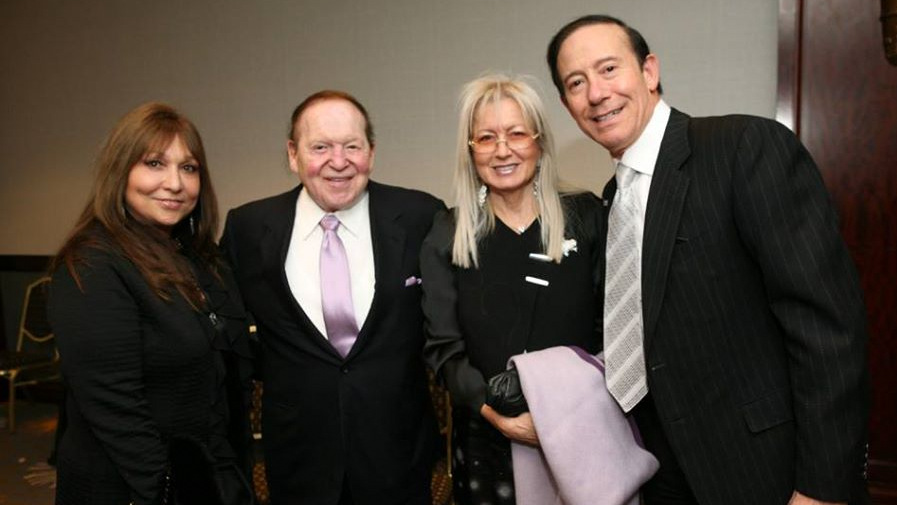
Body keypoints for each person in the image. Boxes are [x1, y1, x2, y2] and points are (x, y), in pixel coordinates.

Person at [546, 14, 870, 505]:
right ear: (568, 105)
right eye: (576, 82)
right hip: (663, 469)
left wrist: (822, 488)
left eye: (609, 69)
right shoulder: (616, 197)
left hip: (771, 472)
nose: (596, 92)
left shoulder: (743, 149)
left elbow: (828, 329)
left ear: (649, 71)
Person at [220, 90, 444, 505]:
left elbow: (447, 320)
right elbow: (224, 331)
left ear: (371, 153)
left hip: (398, 452)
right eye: (320, 147)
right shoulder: (248, 228)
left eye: (352, 147)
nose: (338, 162)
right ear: (293, 153)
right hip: (298, 457)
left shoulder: (420, 216)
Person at [48, 103, 255, 505]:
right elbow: (114, 408)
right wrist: (164, 490)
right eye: (155, 163)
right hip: (135, 485)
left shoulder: (200, 258)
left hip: (205, 471)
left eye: (189, 168)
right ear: (120, 172)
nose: (175, 183)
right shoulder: (92, 264)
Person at [420, 74, 604, 505]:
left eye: (516, 133)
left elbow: (611, 324)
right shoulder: (447, 232)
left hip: (584, 428)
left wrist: (573, 411)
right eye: (486, 137)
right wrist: (497, 417)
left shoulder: (587, 215)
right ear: (471, 150)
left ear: (539, 142)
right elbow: (443, 347)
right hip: (488, 438)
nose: (502, 150)